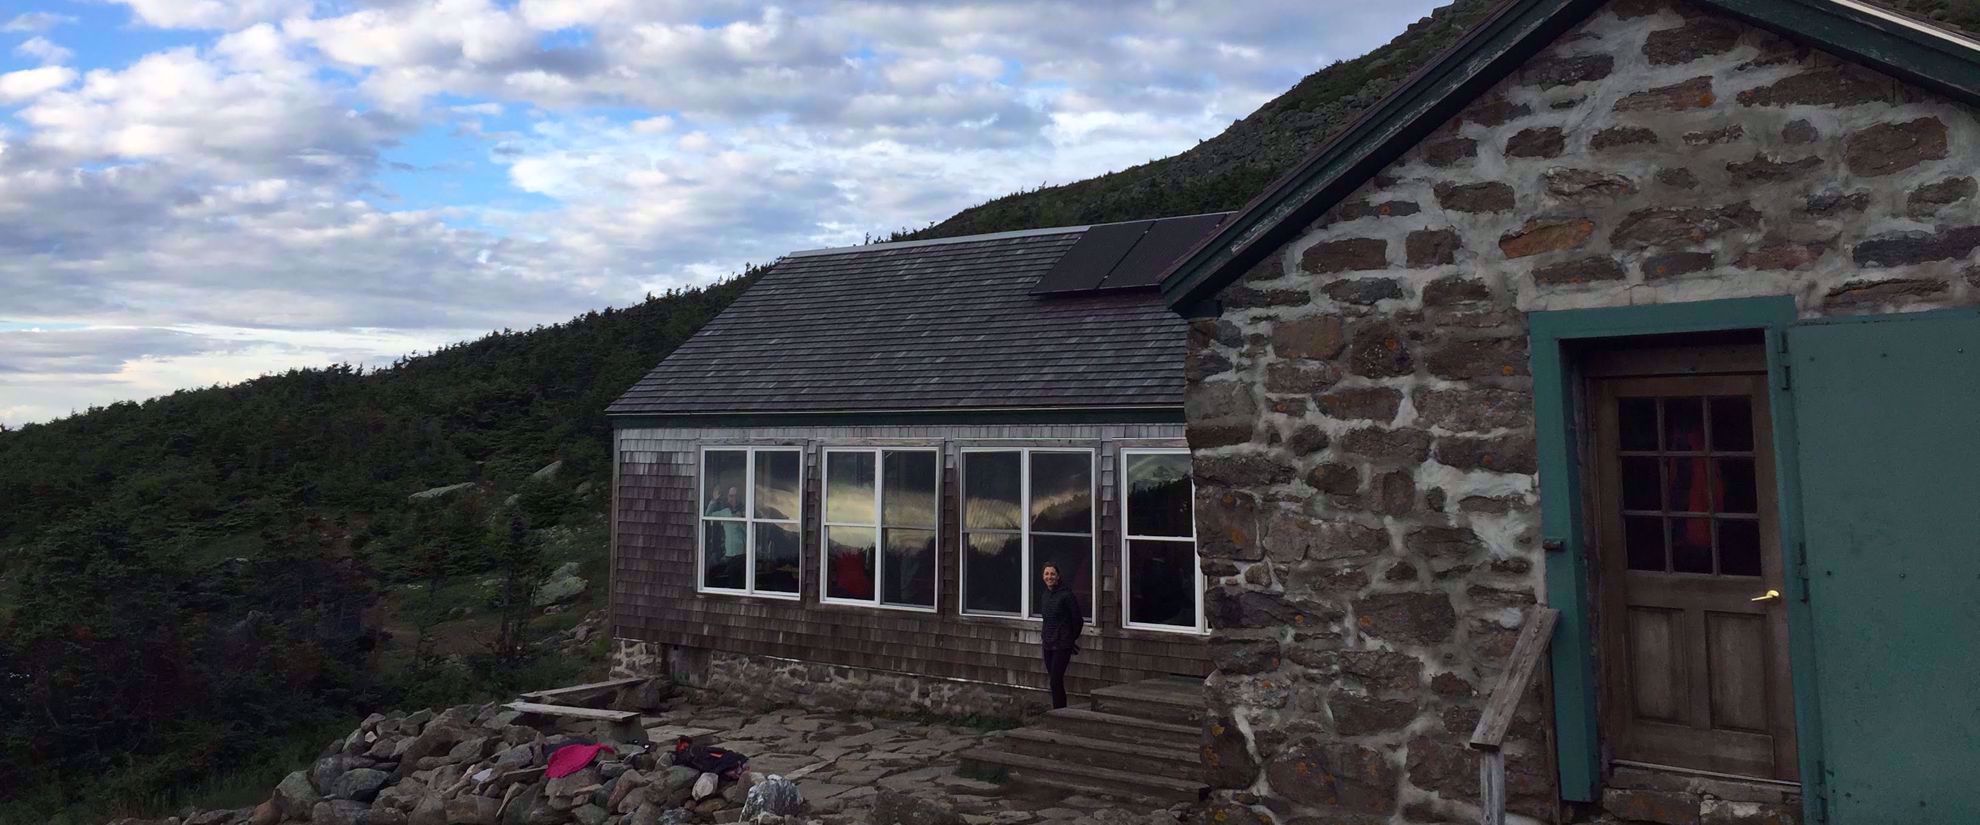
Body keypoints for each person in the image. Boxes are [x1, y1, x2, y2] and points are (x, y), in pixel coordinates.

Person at [1039, 562, 1084, 710]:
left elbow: (1077, 620)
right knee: (1053, 679)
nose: (1049, 577)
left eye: (1052, 574)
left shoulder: (1066, 595)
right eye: (1047, 574)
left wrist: (1070, 639)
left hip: (1062, 645)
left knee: (1055, 680)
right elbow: (1047, 619)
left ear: (1058, 576)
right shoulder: (1045, 595)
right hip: (1048, 644)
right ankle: (1058, 709)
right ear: (1043, 576)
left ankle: (1059, 711)